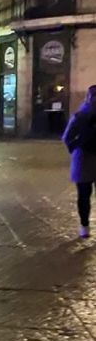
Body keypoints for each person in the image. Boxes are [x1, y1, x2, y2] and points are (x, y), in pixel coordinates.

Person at [62, 85, 96, 239]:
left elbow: (67, 138)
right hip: (84, 159)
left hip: (83, 159)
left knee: (83, 195)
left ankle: (84, 226)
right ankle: (84, 225)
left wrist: (76, 149)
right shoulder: (80, 116)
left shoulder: (80, 115)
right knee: (84, 195)